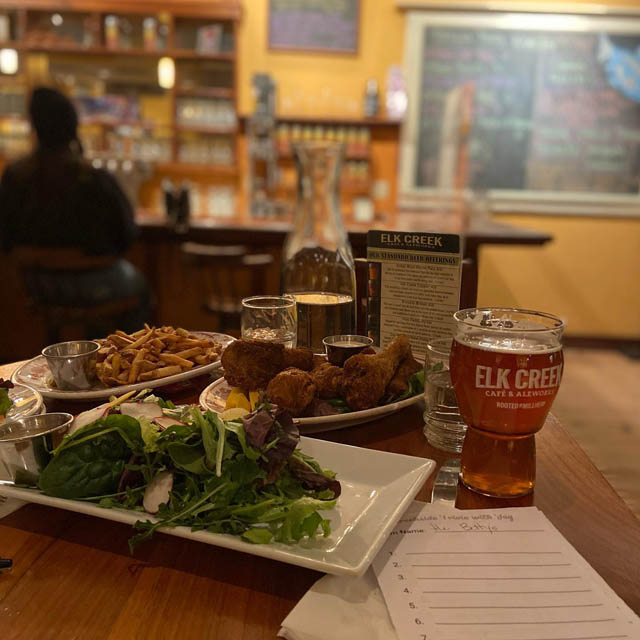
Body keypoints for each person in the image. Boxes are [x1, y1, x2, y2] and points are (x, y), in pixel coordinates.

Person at [0, 86, 152, 335]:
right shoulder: (93, 178)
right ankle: (126, 361)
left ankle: (61, 359)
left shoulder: (15, 177)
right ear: (73, 125)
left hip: (39, 285)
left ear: (34, 126)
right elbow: (127, 234)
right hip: (97, 283)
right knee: (142, 291)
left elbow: (5, 239)